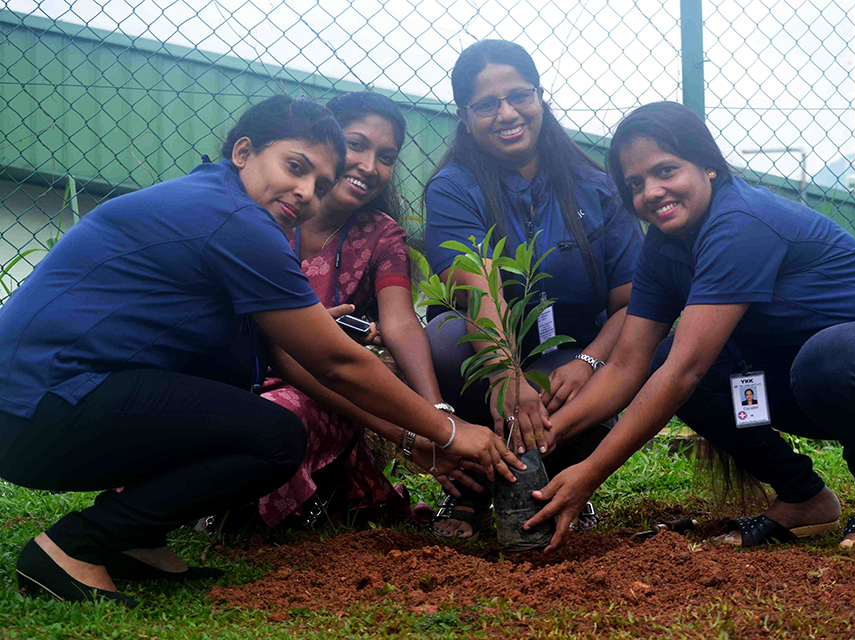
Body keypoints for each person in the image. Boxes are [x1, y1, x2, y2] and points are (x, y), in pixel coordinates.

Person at [0, 95, 521, 607]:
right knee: (271, 438)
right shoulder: (236, 220)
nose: (304, 192)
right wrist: (447, 430)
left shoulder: (219, 201)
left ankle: (135, 537)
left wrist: (411, 435)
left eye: (319, 184)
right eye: (295, 166)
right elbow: (336, 364)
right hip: (38, 408)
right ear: (244, 151)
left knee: (243, 403)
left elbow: (292, 358)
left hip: (39, 403)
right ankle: (72, 547)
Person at [524, 101, 855, 552]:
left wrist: (590, 472)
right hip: (802, 381)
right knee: (666, 356)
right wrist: (545, 437)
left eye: (666, 171)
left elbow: (684, 372)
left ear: (707, 165)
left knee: (818, 358)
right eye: (636, 183)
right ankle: (803, 497)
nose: (651, 192)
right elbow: (627, 366)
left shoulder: (739, 221)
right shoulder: (662, 249)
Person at [423, 40, 642, 538]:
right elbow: (474, 286)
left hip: (573, 356)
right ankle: (473, 490)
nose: (506, 113)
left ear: (541, 97)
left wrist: (588, 361)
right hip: (490, 350)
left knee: (618, 360)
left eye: (519, 96)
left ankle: (561, 484)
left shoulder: (597, 186)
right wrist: (507, 375)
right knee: (445, 340)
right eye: (486, 104)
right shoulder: (454, 188)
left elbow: (633, 304)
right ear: (464, 115)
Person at [257, 91, 468, 527]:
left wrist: (436, 414)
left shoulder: (381, 234)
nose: (370, 167)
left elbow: (400, 322)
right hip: (239, 369)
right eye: (357, 145)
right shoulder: (265, 212)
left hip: (319, 386)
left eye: (386, 156)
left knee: (281, 417)